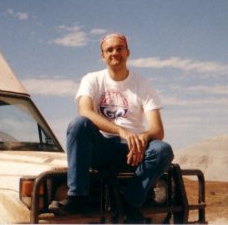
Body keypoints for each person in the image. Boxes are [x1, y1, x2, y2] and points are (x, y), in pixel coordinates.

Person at [51, 33, 173, 223]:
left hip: (133, 151)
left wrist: (143, 137)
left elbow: (157, 130)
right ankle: (77, 197)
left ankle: (131, 202)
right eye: (109, 50)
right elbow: (85, 111)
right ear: (103, 56)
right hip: (101, 147)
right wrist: (121, 131)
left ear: (127, 52)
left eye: (119, 48)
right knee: (78, 124)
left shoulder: (143, 84)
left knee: (162, 149)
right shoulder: (92, 79)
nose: (115, 52)